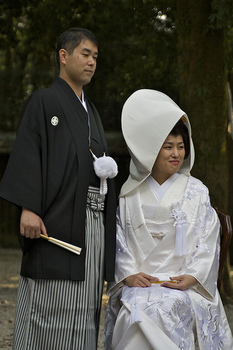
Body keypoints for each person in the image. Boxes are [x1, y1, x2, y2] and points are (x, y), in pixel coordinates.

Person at [0, 27, 117, 350]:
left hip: (91, 221)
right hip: (56, 219)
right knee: (48, 303)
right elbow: (29, 153)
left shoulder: (90, 110)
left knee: (86, 299)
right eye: (85, 54)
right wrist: (28, 208)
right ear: (63, 57)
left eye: (95, 56)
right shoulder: (44, 101)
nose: (92, 62)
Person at [104, 89, 233, 350]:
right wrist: (128, 275)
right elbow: (119, 241)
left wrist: (194, 277)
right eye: (168, 147)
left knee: (163, 306)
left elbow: (208, 240)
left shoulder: (197, 191)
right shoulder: (130, 194)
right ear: (152, 150)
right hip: (142, 280)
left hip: (183, 284)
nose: (176, 153)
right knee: (136, 307)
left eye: (181, 147)